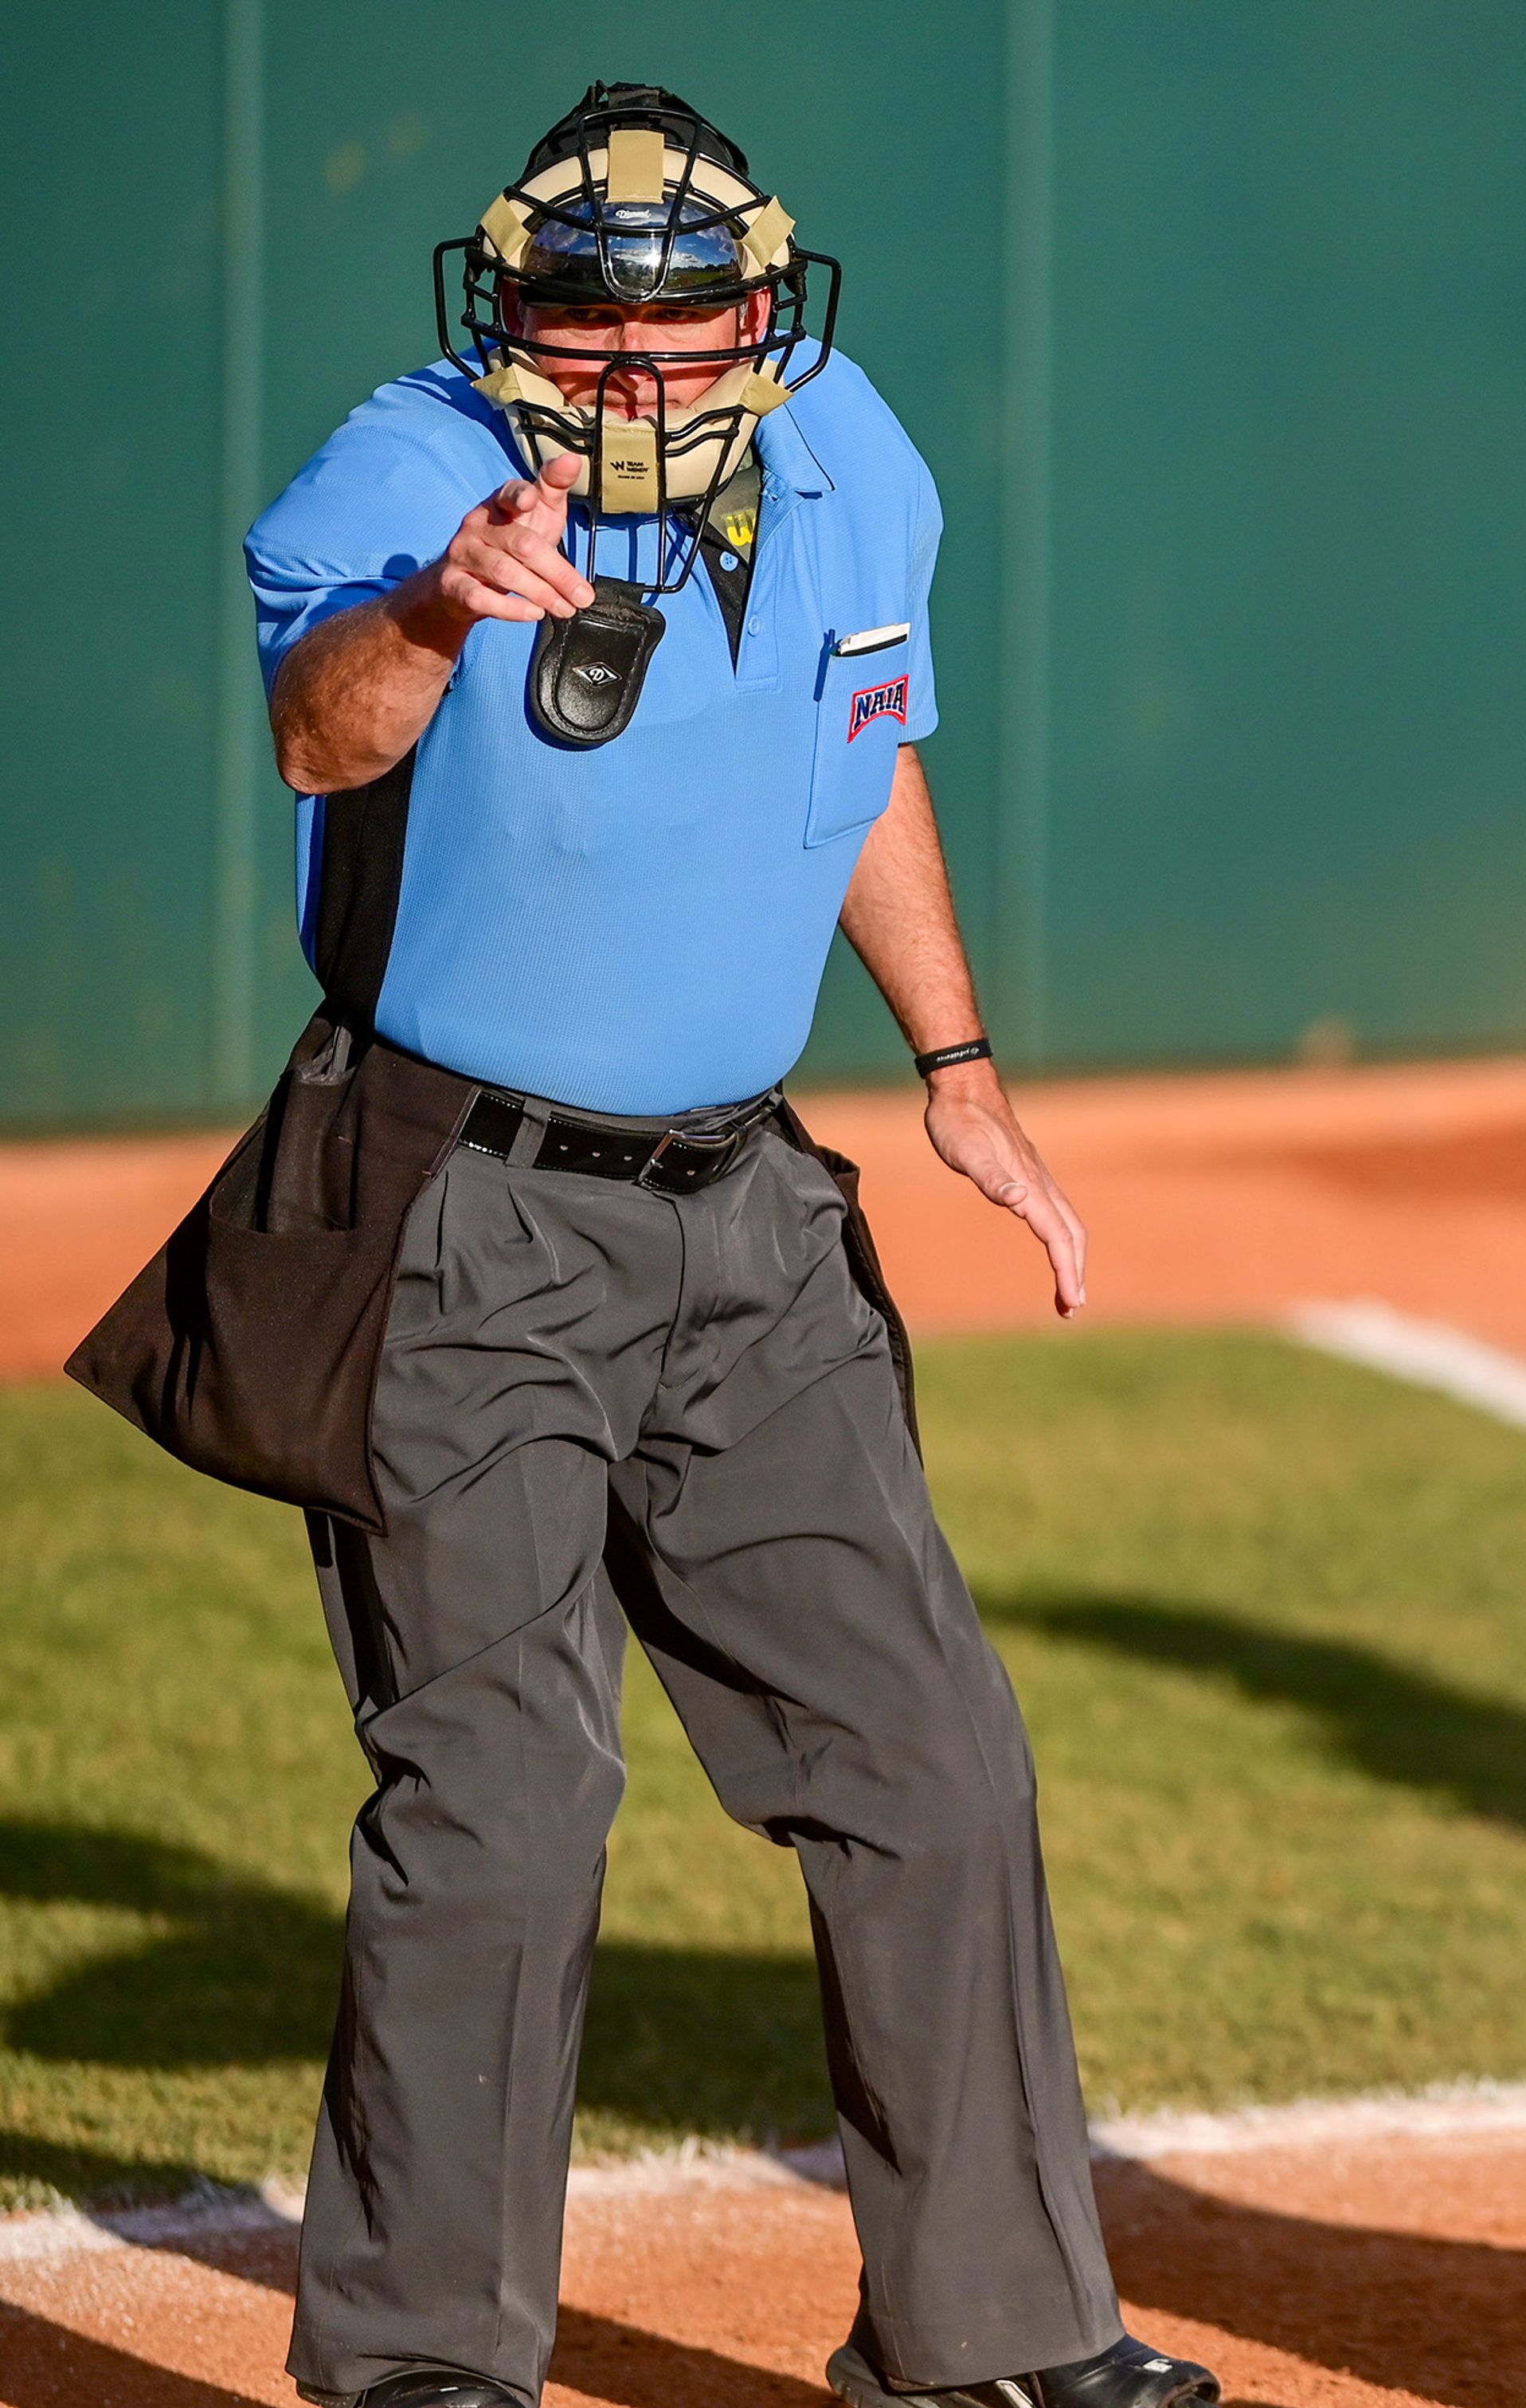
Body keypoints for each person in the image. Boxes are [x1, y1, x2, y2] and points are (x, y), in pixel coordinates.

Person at [72, 84, 1209, 2408]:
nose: (632, 385)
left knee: (929, 1750)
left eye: (677, 340)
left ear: (763, 320)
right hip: (461, 1217)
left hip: (751, 1220)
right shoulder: (403, 476)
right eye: (586, 339)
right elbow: (316, 738)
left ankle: (989, 2338)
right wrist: (433, 606)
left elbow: (866, 752)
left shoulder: (858, 455)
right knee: (503, 1789)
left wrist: (960, 1065)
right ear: (513, 321)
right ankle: (418, 2365)